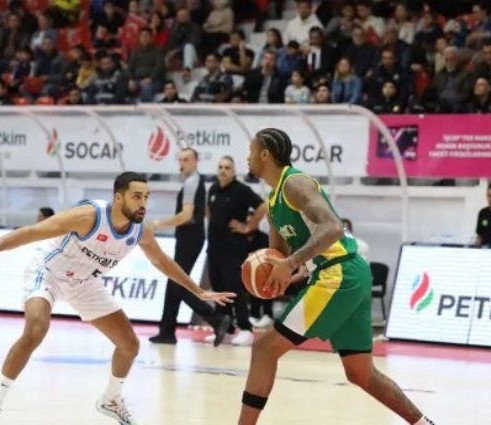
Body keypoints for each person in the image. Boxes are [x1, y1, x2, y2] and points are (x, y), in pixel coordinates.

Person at [0, 172, 235, 425]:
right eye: (137, 196)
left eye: (146, 197)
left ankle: (111, 399)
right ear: (118, 197)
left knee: (129, 344)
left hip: (85, 283)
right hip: (49, 272)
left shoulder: (140, 230)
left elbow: (161, 261)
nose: (143, 203)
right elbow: (32, 232)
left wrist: (198, 290)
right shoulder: (89, 215)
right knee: (37, 328)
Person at [238, 128, 435, 425]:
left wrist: (290, 263)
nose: (248, 157)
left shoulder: (295, 183)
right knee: (360, 372)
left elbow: (332, 227)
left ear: (265, 154)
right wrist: (272, 278)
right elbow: (277, 256)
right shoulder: (273, 204)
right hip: (347, 274)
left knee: (264, 350)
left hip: (338, 273)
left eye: (251, 151)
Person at [149, 148, 232, 346]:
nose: (182, 163)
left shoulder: (191, 182)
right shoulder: (196, 182)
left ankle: (216, 319)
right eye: (180, 160)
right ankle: (167, 331)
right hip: (191, 237)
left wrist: (159, 224)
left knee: (178, 282)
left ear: (195, 161)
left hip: (190, 238)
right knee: (174, 282)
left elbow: (186, 215)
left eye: (186, 159)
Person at [205, 156, 267, 346]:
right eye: (220, 167)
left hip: (233, 249)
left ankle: (246, 328)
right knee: (218, 289)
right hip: (214, 248)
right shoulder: (213, 188)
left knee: (235, 288)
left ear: (233, 171)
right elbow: (209, 210)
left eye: (227, 167)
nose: (223, 170)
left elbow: (263, 206)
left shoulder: (241, 190)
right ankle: (225, 328)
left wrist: (248, 227)